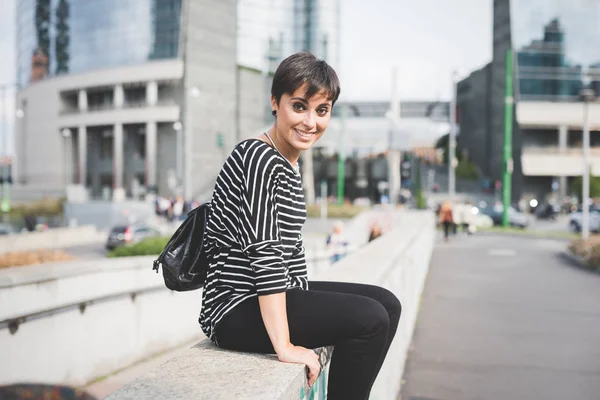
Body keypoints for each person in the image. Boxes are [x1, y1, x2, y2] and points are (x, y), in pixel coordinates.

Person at [200, 52, 401, 400]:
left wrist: (317, 308)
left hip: (271, 295)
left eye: (321, 111)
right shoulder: (259, 158)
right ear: (275, 103)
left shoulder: (287, 164)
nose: (311, 122)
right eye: (299, 106)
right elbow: (265, 254)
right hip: (234, 309)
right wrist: (285, 344)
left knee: (388, 304)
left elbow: (290, 254)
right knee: (370, 318)